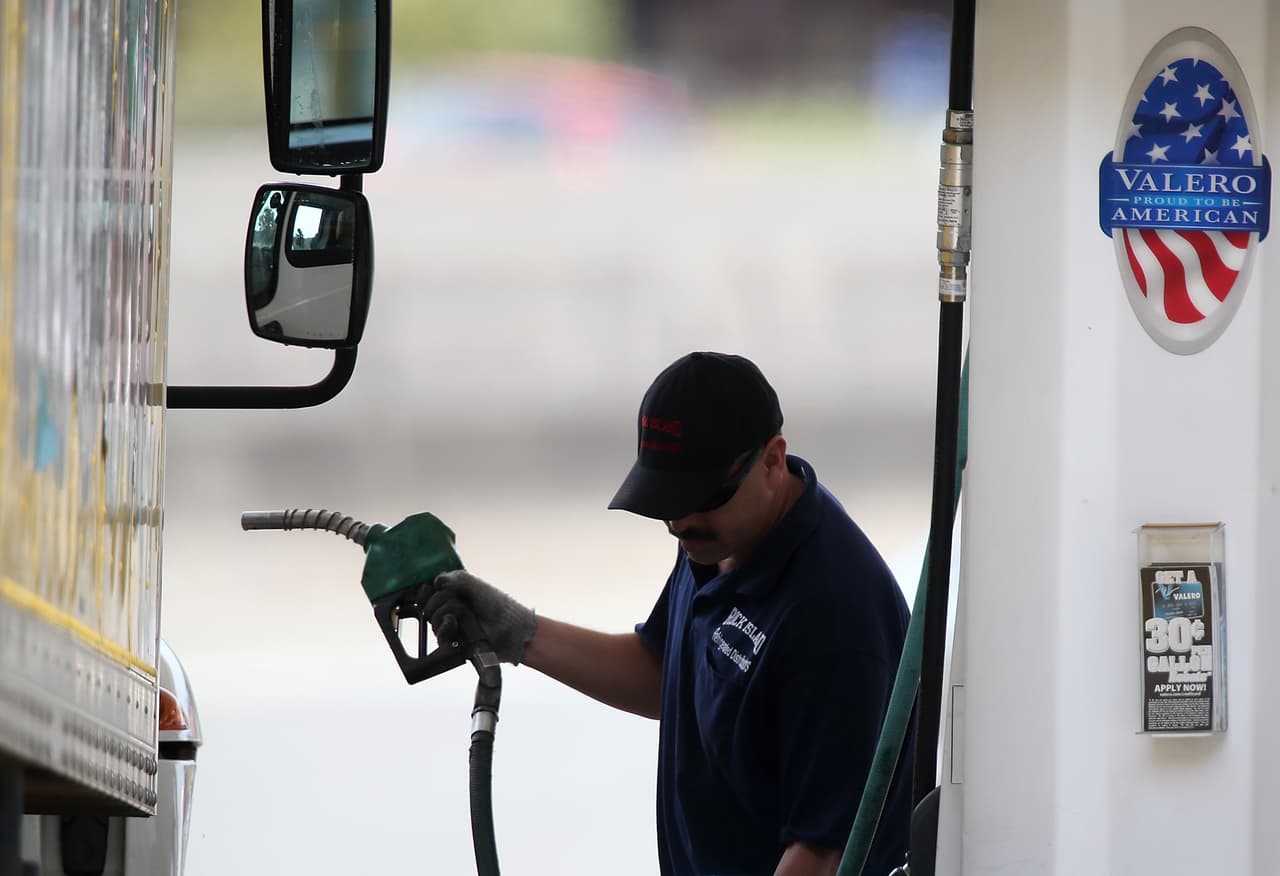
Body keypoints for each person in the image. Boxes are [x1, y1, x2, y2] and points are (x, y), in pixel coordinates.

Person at [426, 351, 914, 875]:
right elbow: (667, 672)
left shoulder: (834, 616)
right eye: (667, 501)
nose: (679, 523)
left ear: (772, 461)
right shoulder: (719, 537)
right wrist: (518, 631)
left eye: (701, 497)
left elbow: (821, 853)